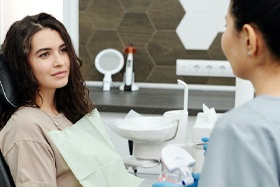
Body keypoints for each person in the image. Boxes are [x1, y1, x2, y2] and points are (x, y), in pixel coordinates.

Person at [153, 0, 280, 186]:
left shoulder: (239, 130)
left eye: (226, 25)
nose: (224, 35)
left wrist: (232, 143)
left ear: (249, 39)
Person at [0, 13, 94, 186]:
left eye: (63, 50)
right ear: (22, 65)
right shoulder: (26, 127)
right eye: (44, 54)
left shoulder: (66, 111)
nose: (60, 61)